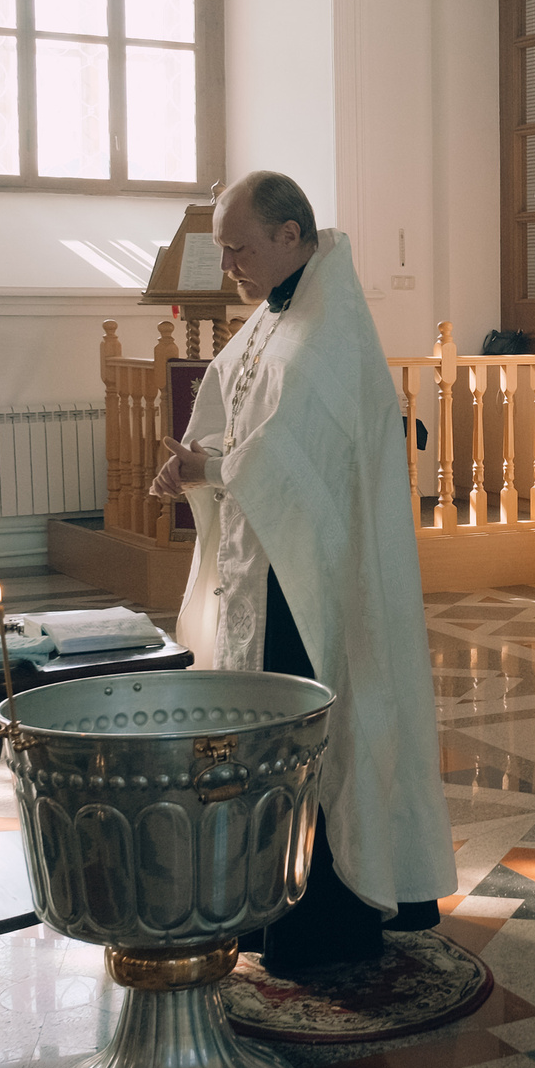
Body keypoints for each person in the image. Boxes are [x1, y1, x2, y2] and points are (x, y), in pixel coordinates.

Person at [149, 172, 455, 971]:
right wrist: (198, 463)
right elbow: (241, 420)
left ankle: (321, 924)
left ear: (291, 234)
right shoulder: (273, 318)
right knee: (263, 739)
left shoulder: (330, 328)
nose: (230, 266)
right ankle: (261, 901)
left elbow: (295, 452)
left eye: (239, 247)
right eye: (222, 249)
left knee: (307, 739)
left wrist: (210, 469)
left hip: (312, 579)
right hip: (270, 562)